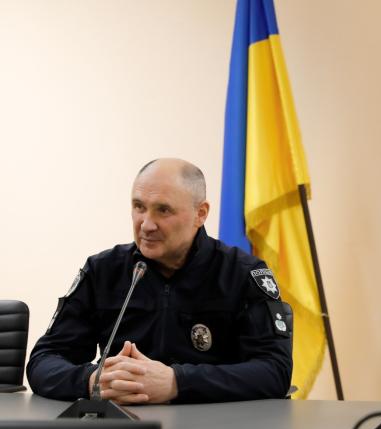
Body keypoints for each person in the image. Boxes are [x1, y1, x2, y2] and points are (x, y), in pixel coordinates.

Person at [27, 158, 293, 404]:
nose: (146, 224)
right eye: (139, 207)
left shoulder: (241, 273)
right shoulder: (103, 270)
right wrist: (93, 380)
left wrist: (177, 382)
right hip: (122, 428)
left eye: (163, 210)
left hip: (216, 428)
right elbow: (43, 360)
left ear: (200, 213)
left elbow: (275, 371)